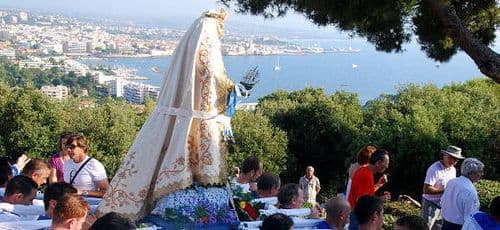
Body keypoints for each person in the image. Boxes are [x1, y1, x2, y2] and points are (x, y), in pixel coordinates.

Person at [421, 145, 464, 230]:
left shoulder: (453, 170)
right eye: (451, 158)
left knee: (438, 228)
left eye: (456, 159)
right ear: (444, 155)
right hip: (430, 204)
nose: (453, 161)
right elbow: (426, 189)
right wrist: (446, 190)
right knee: (425, 227)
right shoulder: (434, 169)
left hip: (444, 205)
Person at [348, 149, 390, 230]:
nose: (387, 166)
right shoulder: (366, 175)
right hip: (358, 218)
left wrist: (379, 184)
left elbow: (366, 194)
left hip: (356, 216)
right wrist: (380, 199)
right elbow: (363, 202)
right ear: (378, 163)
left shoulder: (364, 171)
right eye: (386, 163)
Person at [440, 157, 484, 230]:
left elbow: (442, 202)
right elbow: (470, 218)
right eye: (480, 171)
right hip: (459, 227)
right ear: (471, 173)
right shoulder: (470, 191)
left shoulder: (451, 182)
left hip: (445, 225)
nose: (482, 174)